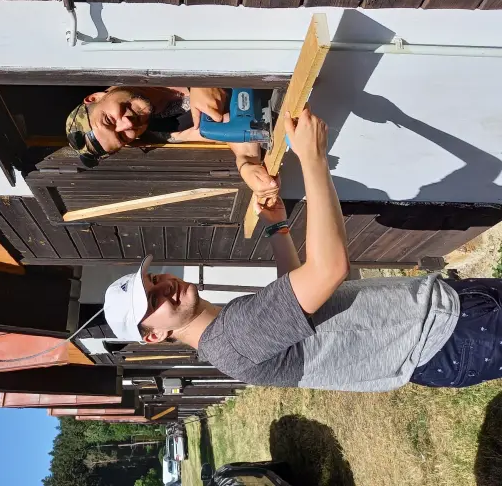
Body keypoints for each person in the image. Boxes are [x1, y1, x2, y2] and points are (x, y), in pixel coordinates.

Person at [102, 105, 502, 391]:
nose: (164, 287)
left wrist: (278, 227)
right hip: (444, 334)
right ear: (155, 336)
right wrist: (313, 159)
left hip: (438, 318)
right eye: (152, 301)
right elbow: (328, 271)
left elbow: (295, 300)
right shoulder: (234, 339)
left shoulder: (227, 335)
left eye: (154, 280)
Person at [65, 85, 279, 203]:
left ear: (94, 97)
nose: (127, 124)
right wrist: (247, 164)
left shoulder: (139, 56)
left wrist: (202, 79)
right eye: (122, 137)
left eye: (109, 120)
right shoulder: (166, 131)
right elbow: (227, 130)